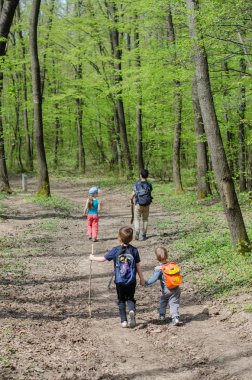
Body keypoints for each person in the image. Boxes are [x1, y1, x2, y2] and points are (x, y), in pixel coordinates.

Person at [89, 226, 145, 328]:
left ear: (119, 238)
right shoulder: (134, 250)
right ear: (131, 238)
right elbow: (138, 266)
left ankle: (123, 321)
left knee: (121, 300)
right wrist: (141, 279)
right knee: (130, 298)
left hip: (119, 280)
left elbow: (103, 259)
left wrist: (92, 258)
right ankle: (132, 310)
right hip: (131, 280)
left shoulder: (115, 250)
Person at [145, 246, 182, 326]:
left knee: (163, 301)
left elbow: (153, 279)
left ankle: (162, 315)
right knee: (173, 303)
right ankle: (175, 318)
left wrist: (146, 283)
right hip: (176, 288)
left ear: (156, 258)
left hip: (166, 290)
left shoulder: (159, 269)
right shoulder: (172, 265)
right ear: (167, 256)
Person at [130, 169, 153, 241]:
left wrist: (131, 200)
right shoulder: (149, 184)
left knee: (137, 219)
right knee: (145, 219)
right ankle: (144, 234)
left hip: (138, 204)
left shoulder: (136, 184)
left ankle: (137, 231)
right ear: (147, 176)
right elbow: (150, 192)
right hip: (147, 204)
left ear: (140, 175)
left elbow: (132, 196)